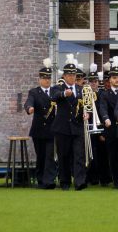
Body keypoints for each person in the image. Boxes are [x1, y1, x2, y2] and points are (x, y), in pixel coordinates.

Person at [50, 54, 87, 191]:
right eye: (69, 75)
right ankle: (65, 182)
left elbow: (84, 105)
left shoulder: (80, 89)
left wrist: (86, 113)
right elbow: (53, 97)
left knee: (79, 156)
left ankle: (80, 182)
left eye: (74, 75)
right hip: (63, 128)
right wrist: (65, 94)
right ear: (64, 76)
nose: (72, 77)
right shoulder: (58, 88)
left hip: (77, 127)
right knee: (63, 156)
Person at [24, 58, 57, 189]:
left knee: (50, 156)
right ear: (40, 79)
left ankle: (49, 181)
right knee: (41, 156)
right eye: (44, 78)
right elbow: (28, 102)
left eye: (48, 78)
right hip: (38, 130)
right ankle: (40, 179)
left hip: (52, 129)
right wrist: (29, 108)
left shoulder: (55, 91)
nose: (47, 80)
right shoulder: (34, 92)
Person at [99, 56, 118, 189]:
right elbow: (102, 108)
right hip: (111, 130)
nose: (116, 80)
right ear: (110, 80)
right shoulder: (105, 94)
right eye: (114, 78)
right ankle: (117, 182)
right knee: (113, 157)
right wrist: (106, 118)